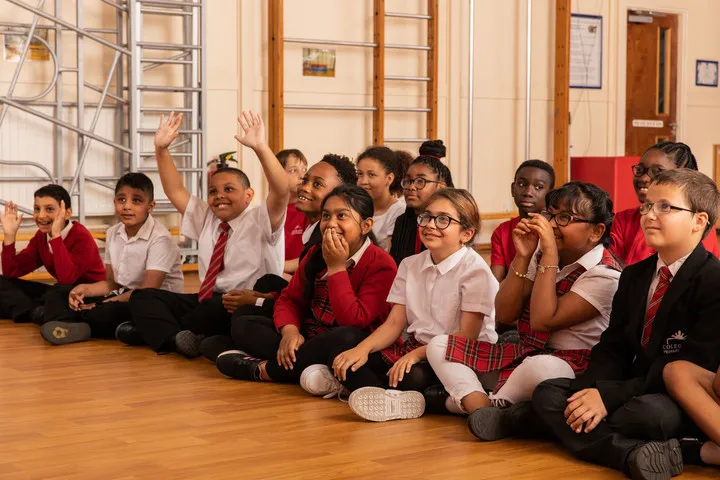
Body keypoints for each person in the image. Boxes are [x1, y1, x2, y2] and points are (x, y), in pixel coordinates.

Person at [532, 169, 720, 479]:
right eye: (647, 205)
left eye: (665, 207)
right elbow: (613, 346)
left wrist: (609, 398)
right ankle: (632, 452)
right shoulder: (634, 274)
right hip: (632, 386)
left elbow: (692, 367)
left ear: (699, 221)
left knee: (649, 416)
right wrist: (593, 390)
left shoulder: (713, 281)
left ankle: (538, 422)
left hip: (672, 395)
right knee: (548, 393)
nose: (649, 215)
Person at [429, 182, 621, 436]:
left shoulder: (605, 274)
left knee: (542, 367)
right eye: (550, 214)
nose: (552, 225)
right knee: (440, 345)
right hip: (524, 352)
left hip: (571, 365)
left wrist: (549, 256)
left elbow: (542, 321)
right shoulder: (542, 253)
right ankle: (481, 405)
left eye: (565, 218)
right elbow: (506, 314)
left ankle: (478, 404)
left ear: (596, 231)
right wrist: (522, 255)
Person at [126, 111, 289, 358]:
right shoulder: (207, 217)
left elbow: (281, 189)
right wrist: (161, 149)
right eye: (213, 191)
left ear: (249, 195)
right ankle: (176, 339)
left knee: (212, 309)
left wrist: (260, 147)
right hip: (208, 300)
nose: (219, 195)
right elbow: (175, 190)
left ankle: (159, 332)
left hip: (242, 303)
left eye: (229, 189)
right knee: (143, 297)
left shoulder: (261, 219)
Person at [333, 189, 498, 422]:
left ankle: (384, 395)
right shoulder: (410, 265)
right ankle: (393, 398)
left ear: (466, 233)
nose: (431, 225)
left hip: (459, 355)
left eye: (443, 219)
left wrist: (415, 356)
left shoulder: (475, 270)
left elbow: (467, 335)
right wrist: (362, 349)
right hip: (417, 348)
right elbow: (394, 323)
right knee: (349, 359)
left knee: (412, 376)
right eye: (427, 217)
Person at [214, 185, 397, 391]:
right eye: (326, 216)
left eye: (342, 216)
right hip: (309, 335)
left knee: (346, 336)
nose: (331, 224)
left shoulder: (382, 264)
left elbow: (354, 320)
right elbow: (289, 299)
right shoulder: (316, 253)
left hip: (347, 343)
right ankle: (309, 366)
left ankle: (266, 371)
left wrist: (336, 267)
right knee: (245, 321)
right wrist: (290, 333)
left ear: (366, 225)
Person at [39, 173, 183, 345]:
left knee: (106, 311)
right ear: (114, 201)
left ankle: (75, 323)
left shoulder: (160, 238)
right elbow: (112, 283)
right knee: (60, 291)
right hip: (124, 295)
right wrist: (84, 290)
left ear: (150, 206)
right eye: (121, 200)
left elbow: (147, 291)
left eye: (136, 201)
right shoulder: (113, 232)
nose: (127, 206)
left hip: (152, 302)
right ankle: (75, 323)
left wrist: (103, 304)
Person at [0, 185, 105, 323]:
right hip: (62, 293)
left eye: (49, 209)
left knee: (57, 292)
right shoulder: (41, 237)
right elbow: (11, 272)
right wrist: (9, 236)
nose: (41, 215)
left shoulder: (81, 236)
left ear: (67, 213)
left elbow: (67, 279)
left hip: (87, 294)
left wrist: (56, 237)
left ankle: (34, 312)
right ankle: (36, 312)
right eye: (37, 209)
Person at [610, 141, 720, 265]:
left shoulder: (694, 222)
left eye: (657, 172)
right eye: (640, 170)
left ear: (683, 176)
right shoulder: (623, 219)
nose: (644, 178)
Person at [388, 140, 453, 266]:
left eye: (420, 181)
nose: (411, 187)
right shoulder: (402, 222)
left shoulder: (451, 225)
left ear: (441, 186)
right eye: (408, 181)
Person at [490, 160, 555, 282]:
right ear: (512, 189)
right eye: (521, 184)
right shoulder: (502, 231)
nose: (528, 192)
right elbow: (494, 283)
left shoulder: (557, 230)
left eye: (539, 187)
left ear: (550, 194)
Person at [356, 146, 410, 251]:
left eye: (371, 175)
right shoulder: (354, 208)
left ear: (389, 179)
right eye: (360, 174)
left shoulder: (399, 212)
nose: (363, 181)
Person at [276, 149, 309, 277]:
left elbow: (310, 258)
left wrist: (277, 268)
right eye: (293, 170)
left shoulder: (308, 211)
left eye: (304, 169)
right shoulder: (267, 211)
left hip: (298, 275)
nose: (302, 176)